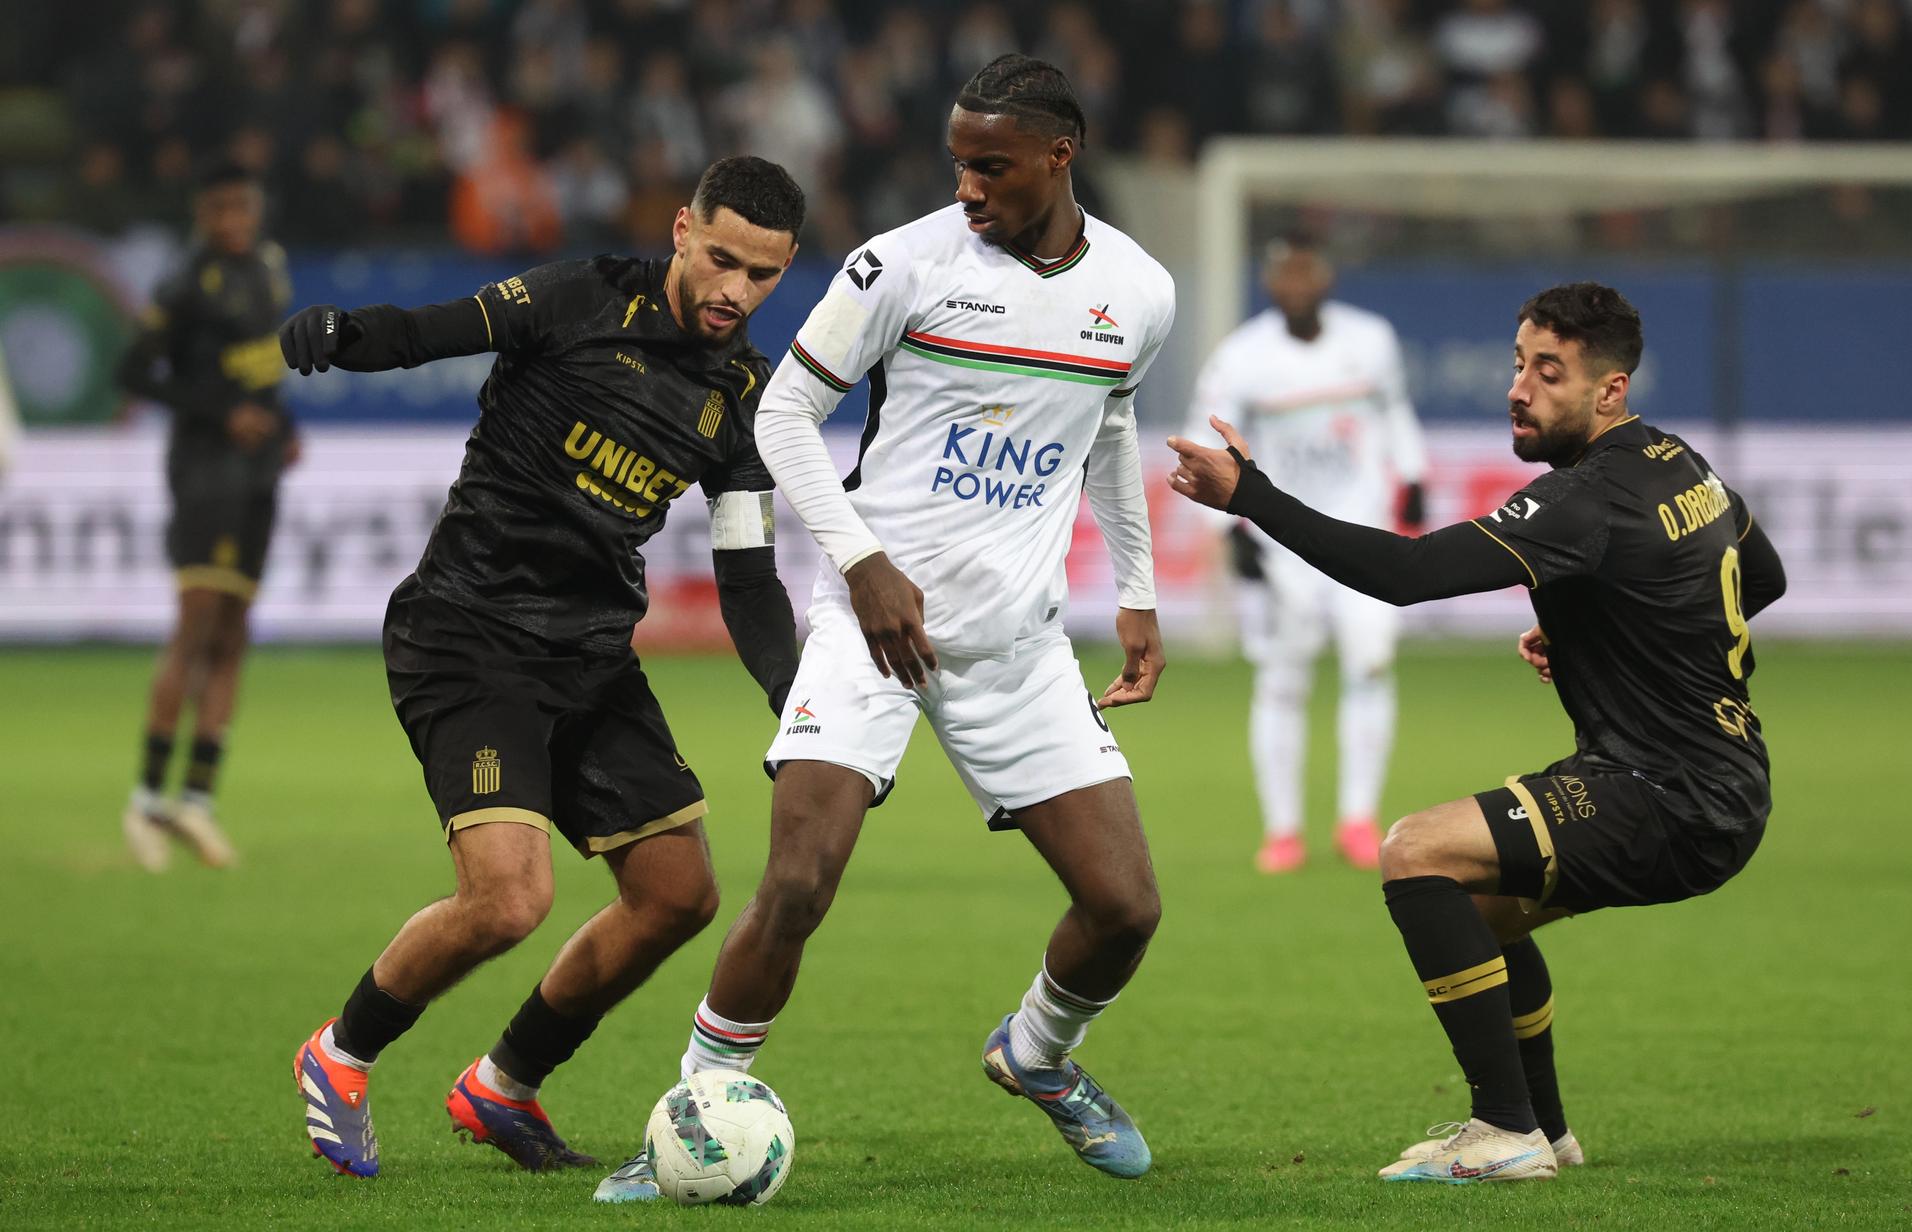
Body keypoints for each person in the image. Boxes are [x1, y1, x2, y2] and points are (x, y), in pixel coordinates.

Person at [595, 54, 1175, 1202]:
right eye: (957, 159)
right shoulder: (901, 264)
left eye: (991, 165)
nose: (966, 183)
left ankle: (1037, 1053)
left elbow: (1110, 425)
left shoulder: (1140, 290)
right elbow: (784, 414)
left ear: (1061, 155)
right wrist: (861, 563)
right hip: (872, 622)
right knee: (800, 877)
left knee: (1126, 907)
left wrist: (1139, 586)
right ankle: (690, 1122)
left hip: (1014, 640)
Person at [1168, 282, 1785, 1183]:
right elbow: (1757, 574)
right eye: (1517, 363)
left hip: (1669, 797)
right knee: (1483, 914)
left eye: (1549, 372)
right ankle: (1545, 1131)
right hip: (1717, 780)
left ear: (1608, 391)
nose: (1519, 388)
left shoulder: (1587, 497)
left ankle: (1504, 1130)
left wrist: (1252, 495)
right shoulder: (1679, 460)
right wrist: (1596, 622)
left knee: (1416, 851)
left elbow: (1408, 573)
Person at [278, 156, 807, 1180]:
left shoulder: (741, 393)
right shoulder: (578, 298)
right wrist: (341, 335)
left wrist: (793, 696)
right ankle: (340, 1052)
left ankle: (502, 1083)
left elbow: (746, 575)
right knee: (510, 898)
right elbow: (431, 330)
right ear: (683, 231)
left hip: (592, 653)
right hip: (467, 632)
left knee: (677, 893)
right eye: (726, 260)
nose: (738, 291)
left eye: (766, 275)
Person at [1186, 234, 1426, 874]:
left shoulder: (1371, 340)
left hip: (1364, 533)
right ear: (1268, 283)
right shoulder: (1241, 357)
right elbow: (1208, 445)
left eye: (1306, 271)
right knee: (1283, 679)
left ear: (1326, 276)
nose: (1295, 285)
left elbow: (1395, 412)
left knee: (1371, 665)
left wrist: (1416, 476)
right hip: (1282, 542)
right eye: (1283, 274)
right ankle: (1284, 830)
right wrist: (1228, 533)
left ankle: (1357, 818)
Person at [115, 160, 296, 872]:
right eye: (220, 210)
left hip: (257, 472)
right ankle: (145, 798)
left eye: (243, 208)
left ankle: (196, 800)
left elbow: (263, 370)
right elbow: (132, 372)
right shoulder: (185, 283)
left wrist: (283, 426)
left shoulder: (270, 267)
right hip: (204, 472)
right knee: (195, 625)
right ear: (202, 213)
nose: (234, 222)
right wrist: (224, 415)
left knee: (234, 633)